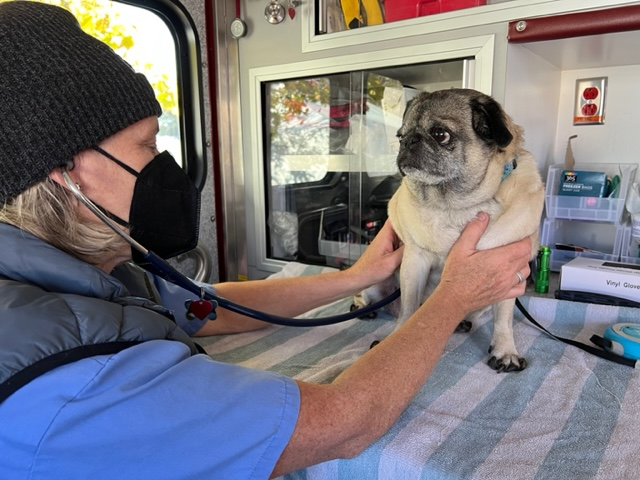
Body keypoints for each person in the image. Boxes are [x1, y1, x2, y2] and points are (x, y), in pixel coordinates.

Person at [0, 2, 532, 479]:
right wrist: (453, 298)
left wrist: (357, 277)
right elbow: (345, 426)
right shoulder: (70, 381)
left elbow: (213, 309)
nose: (168, 167)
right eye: (145, 146)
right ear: (63, 173)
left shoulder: (93, 278)